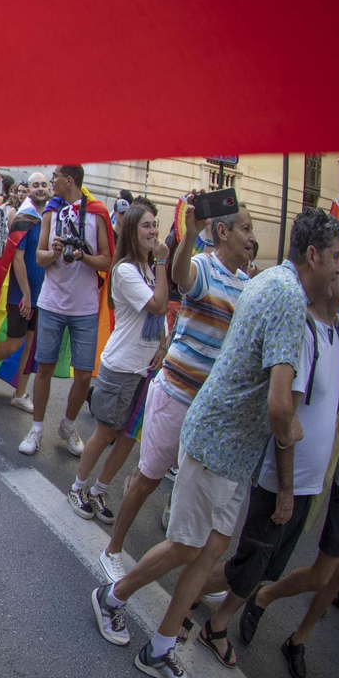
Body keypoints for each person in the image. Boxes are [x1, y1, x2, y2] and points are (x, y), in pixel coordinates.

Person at [89, 208, 339, 678]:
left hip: (234, 448)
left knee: (209, 551)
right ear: (312, 255)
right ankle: (111, 596)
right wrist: (292, 440)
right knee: (187, 544)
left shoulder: (265, 284)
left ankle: (160, 648)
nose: (338, 269)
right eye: (334, 259)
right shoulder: (286, 297)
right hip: (219, 438)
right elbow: (279, 404)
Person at [239, 242, 339, 678]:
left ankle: (298, 639)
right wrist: (290, 475)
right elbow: (299, 404)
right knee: (305, 572)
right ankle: (254, 598)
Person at [190, 254, 339, 670]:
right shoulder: (303, 327)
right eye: (337, 263)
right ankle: (208, 621)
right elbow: (285, 412)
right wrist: (286, 489)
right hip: (281, 478)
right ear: (316, 263)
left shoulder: (337, 334)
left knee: (261, 564)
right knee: (246, 559)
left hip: (307, 482)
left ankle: (193, 599)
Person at [98, 199, 255, 581]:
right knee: (149, 476)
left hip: (210, 408)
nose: (253, 238)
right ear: (223, 232)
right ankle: (113, 548)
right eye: (246, 229)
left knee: (187, 479)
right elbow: (183, 279)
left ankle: (175, 529)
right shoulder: (203, 265)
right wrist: (190, 235)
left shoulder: (249, 285)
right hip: (176, 395)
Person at [66, 203, 168, 521]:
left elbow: (159, 318)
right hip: (121, 367)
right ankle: (77, 487)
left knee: (127, 438)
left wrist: (163, 346)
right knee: (106, 432)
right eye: (146, 226)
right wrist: (164, 261)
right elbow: (158, 304)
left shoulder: (149, 269)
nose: (153, 231)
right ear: (131, 232)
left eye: (155, 225)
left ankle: (98, 490)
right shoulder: (125, 270)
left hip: (145, 370)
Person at [18, 165, 112, 457]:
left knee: (84, 375)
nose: (51, 182)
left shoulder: (96, 212)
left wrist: (83, 256)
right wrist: (56, 252)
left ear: (68, 180)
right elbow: (40, 257)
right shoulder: (50, 212)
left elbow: (107, 261)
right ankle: (36, 429)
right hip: (52, 303)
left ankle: (68, 426)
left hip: (84, 307)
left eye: (55, 177)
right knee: (43, 366)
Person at [0, 199, 44, 409]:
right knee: (15, 343)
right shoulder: (24, 219)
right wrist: (26, 294)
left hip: (43, 297)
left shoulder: (51, 220)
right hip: (20, 295)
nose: (41, 188)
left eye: (44, 185)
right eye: (36, 185)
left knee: (31, 349)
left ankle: (20, 394)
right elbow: (17, 258)